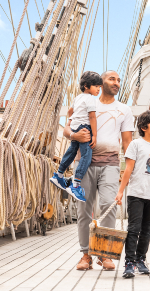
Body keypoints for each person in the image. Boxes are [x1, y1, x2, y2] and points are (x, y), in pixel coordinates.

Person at [63, 71, 134, 271]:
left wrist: (129, 168)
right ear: (100, 83)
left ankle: (105, 254)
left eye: (119, 80)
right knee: (84, 209)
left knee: (108, 205)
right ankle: (85, 255)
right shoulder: (84, 102)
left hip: (110, 164)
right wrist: (74, 136)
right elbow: (67, 130)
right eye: (112, 79)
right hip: (83, 163)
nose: (117, 83)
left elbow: (127, 142)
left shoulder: (124, 110)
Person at [115, 110, 150, 278]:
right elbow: (128, 169)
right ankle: (129, 262)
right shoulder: (136, 145)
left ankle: (141, 259)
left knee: (146, 230)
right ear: (144, 127)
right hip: (136, 194)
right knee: (134, 228)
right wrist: (120, 191)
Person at [50, 71, 102, 202]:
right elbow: (92, 117)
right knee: (86, 156)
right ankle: (76, 185)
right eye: (96, 86)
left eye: (99, 87)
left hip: (75, 126)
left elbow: (69, 112)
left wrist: (74, 120)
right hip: (85, 127)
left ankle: (59, 175)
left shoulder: (77, 98)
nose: (98, 90)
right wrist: (94, 135)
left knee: (72, 151)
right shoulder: (90, 99)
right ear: (86, 86)